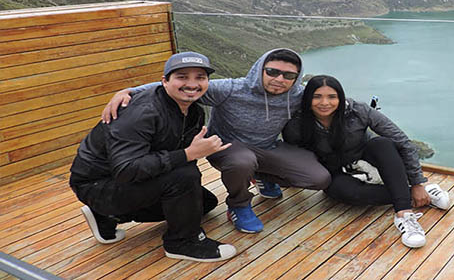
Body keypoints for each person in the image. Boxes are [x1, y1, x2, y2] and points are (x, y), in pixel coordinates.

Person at [101, 48, 331, 233]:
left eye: (288, 75)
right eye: (272, 72)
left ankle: (260, 175)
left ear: (296, 78)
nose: (279, 79)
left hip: (268, 146)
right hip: (226, 147)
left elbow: (332, 98)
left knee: (318, 178)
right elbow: (179, 87)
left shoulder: (298, 95)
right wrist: (129, 91)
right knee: (242, 162)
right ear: (260, 69)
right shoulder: (231, 89)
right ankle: (239, 205)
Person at [70, 52, 237, 262]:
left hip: (131, 180)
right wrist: (188, 154)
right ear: (164, 81)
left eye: (200, 77)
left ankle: (109, 216)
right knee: (185, 175)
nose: (192, 84)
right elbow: (126, 169)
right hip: (98, 184)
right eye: (182, 77)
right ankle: (182, 242)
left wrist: (187, 155)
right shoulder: (141, 112)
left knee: (205, 203)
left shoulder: (193, 112)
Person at [282, 75, 450, 248]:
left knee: (382, 144)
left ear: (340, 97)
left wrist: (417, 183)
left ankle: (404, 215)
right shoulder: (297, 124)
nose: (325, 102)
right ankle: (424, 195)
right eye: (317, 96)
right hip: (334, 170)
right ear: (307, 97)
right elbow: (295, 157)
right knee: (344, 192)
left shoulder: (358, 111)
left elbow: (403, 142)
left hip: (367, 156)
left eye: (332, 97)